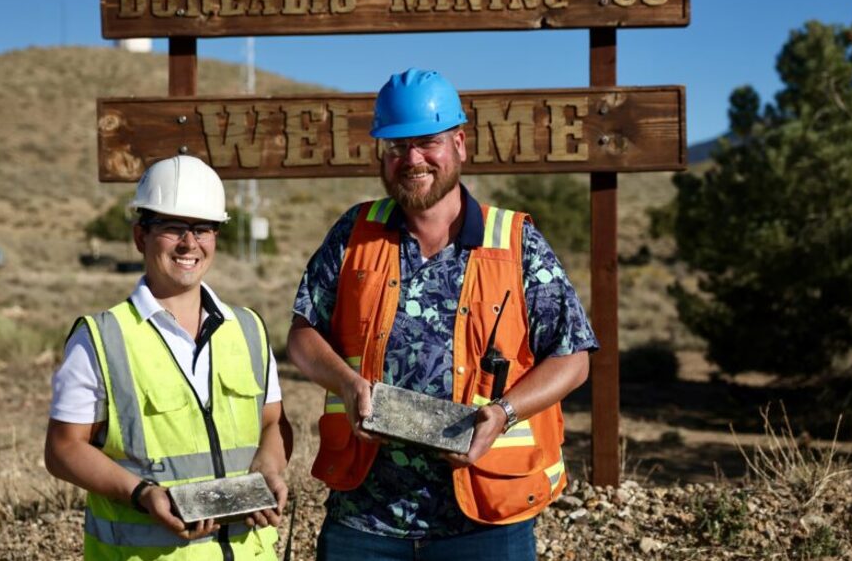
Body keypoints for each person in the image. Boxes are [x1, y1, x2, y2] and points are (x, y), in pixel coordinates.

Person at [287, 68, 597, 560]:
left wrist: (503, 414)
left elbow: (573, 358)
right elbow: (303, 334)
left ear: (459, 144)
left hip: (485, 522)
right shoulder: (355, 232)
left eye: (426, 142)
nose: (412, 159)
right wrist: (347, 385)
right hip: (363, 519)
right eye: (395, 146)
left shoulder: (515, 243)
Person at [45, 154, 291, 561]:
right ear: (141, 236)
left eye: (202, 228)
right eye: (173, 227)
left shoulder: (248, 330)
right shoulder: (101, 339)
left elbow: (273, 424)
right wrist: (143, 494)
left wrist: (269, 467)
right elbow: (63, 449)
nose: (189, 243)